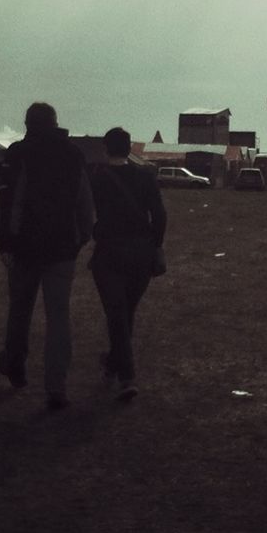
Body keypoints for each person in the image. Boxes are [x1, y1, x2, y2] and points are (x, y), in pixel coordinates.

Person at [0, 102, 94, 410]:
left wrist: (7, 241)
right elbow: (84, 202)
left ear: (28, 124)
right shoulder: (73, 155)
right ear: (55, 123)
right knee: (58, 317)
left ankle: (14, 362)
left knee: (20, 310)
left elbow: (10, 201)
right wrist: (80, 237)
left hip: (24, 246)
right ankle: (56, 387)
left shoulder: (18, 154)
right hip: (63, 247)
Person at [89, 127, 167, 402]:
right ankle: (113, 363)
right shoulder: (145, 176)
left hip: (109, 253)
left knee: (117, 313)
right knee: (126, 313)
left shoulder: (97, 178)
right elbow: (159, 214)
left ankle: (127, 377)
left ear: (106, 148)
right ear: (130, 147)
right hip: (141, 254)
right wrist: (155, 245)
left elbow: (89, 215)